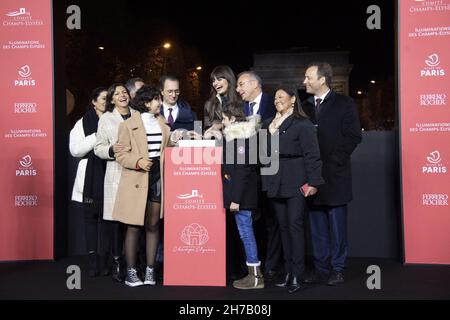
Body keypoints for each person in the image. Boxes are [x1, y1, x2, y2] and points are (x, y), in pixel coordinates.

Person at [301, 62, 362, 286]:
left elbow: (353, 136)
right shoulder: (305, 106)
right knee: (316, 228)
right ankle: (321, 268)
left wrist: (334, 160)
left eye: (308, 77)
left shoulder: (344, 103)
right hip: (311, 177)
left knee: (337, 227)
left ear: (322, 79)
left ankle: (337, 269)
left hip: (335, 177)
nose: (304, 81)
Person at [261, 86, 324, 294]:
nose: (277, 100)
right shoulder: (268, 124)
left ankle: (297, 273)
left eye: (281, 97)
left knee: (295, 226)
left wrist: (313, 182)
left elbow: (312, 154)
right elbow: (262, 153)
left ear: (292, 100)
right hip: (274, 180)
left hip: (296, 180)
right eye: (275, 97)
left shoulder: (302, 124)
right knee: (283, 227)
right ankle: (287, 271)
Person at [112, 85, 171, 287]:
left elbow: (168, 149)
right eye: (157, 99)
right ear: (147, 102)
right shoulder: (128, 125)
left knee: (153, 226)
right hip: (137, 177)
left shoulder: (163, 124)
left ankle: (150, 271)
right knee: (134, 226)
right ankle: (131, 272)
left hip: (157, 178)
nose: (160, 103)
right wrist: (138, 161)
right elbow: (121, 154)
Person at [236, 71, 280, 281]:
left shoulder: (274, 102)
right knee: (250, 221)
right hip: (247, 174)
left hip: (271, 170)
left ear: (255, 84)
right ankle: (252, 266)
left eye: (241, 84)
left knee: (273, 221)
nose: (238, 89)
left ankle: (271, 265)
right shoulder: (238, 108)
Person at [94, 83, 136, 282]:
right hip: (116, 176)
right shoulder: (106, 119)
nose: (122, 95)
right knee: (117, 224)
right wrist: (111, 149)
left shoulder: (138, 115)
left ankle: (134, 263)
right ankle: (118, 262)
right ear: (111, 99)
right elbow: (98, 148)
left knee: (135, 223)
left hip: (137, 176)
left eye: (124, 92)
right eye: (117, 94)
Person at [221, 106, 264, 289]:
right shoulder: (237, 138)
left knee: (246, 233)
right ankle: (253, 275)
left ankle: (255, 278)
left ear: (231, 119)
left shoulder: (239, 140)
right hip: (242, 195)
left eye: (223, 118)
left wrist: (236, 199)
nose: (222, 122)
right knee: (245, 233)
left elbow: (242, 171)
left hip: (242, 197)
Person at [69, 87, 107, 276]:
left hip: (111, 176)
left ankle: (108, 260)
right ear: (94, 101)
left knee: (109, 222)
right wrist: (96, 136)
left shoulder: (115, 120)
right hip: (89, 180)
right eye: (103, 98)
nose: (107, 101)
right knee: (90, 220)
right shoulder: (82, 123)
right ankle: (92, 261)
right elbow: (75, 150)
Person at [203, 65, 240, 134]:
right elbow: (207, 127)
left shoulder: (241, 100)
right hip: (218, 142)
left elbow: (245, 122)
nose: (215, 83)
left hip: (239, 142)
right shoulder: (209, 104)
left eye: (219, 79)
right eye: (213, 80)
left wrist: (221, 125)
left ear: (229, 80)